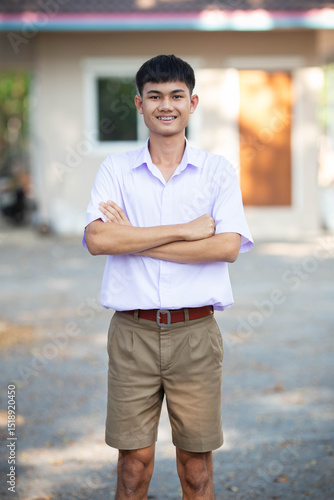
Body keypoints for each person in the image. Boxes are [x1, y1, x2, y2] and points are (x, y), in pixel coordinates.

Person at [83, 54, 254, 499]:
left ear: (192, 103)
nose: (166, 105)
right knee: (132, 467)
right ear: (139, 104)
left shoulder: (217, 171)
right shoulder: (115, 170)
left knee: (196, 469)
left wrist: (132, 238)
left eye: (176, 95)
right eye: (154, 96)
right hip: (132, 332)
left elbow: (227, 247)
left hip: (195, 334)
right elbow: (98, 241)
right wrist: (185, 230)